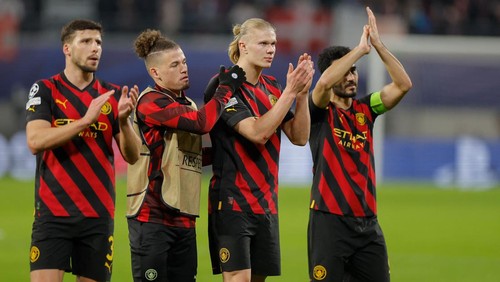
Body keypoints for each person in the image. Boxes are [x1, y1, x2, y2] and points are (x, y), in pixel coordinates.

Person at [25, 19, 141, 282]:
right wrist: (85, 120)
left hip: (98, 216)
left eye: (98, 42)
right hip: (53, 213)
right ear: (67, 48)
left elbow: (132, 157)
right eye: (86, 41)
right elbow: (35, 141)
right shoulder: (46, 90)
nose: (95, 48)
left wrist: (124, 121)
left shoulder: (111, 95)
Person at [126, 29, 246, 282]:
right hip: (152, 217)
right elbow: (202, 123)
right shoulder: (150, 103)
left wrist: (226, 152)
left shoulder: (188, 105)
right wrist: (225, 90)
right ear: (155, 73)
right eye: (174, 64)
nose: (183, 68)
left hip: (184, 218)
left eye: (184, 61)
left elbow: (188, 157)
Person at [204, 18, 315, 282]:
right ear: (243, 46)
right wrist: (290, 92)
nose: (271, 49)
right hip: (232, 202)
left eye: (273, 43)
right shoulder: (223, 86)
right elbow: (257, 133)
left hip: (266, 204)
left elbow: (299, 138)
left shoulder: (274, 87)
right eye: (263, 43)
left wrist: (301, 96)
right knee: (238, 279)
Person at [307, 7, 413, 282]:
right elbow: (324, 83)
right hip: (329, 220)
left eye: (354, 71)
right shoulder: (319, 111)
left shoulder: (367, 109)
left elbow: (403, 85)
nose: (352, 77)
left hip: (367, 224)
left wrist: (377, 45)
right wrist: (359, 50)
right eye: (346, 71)